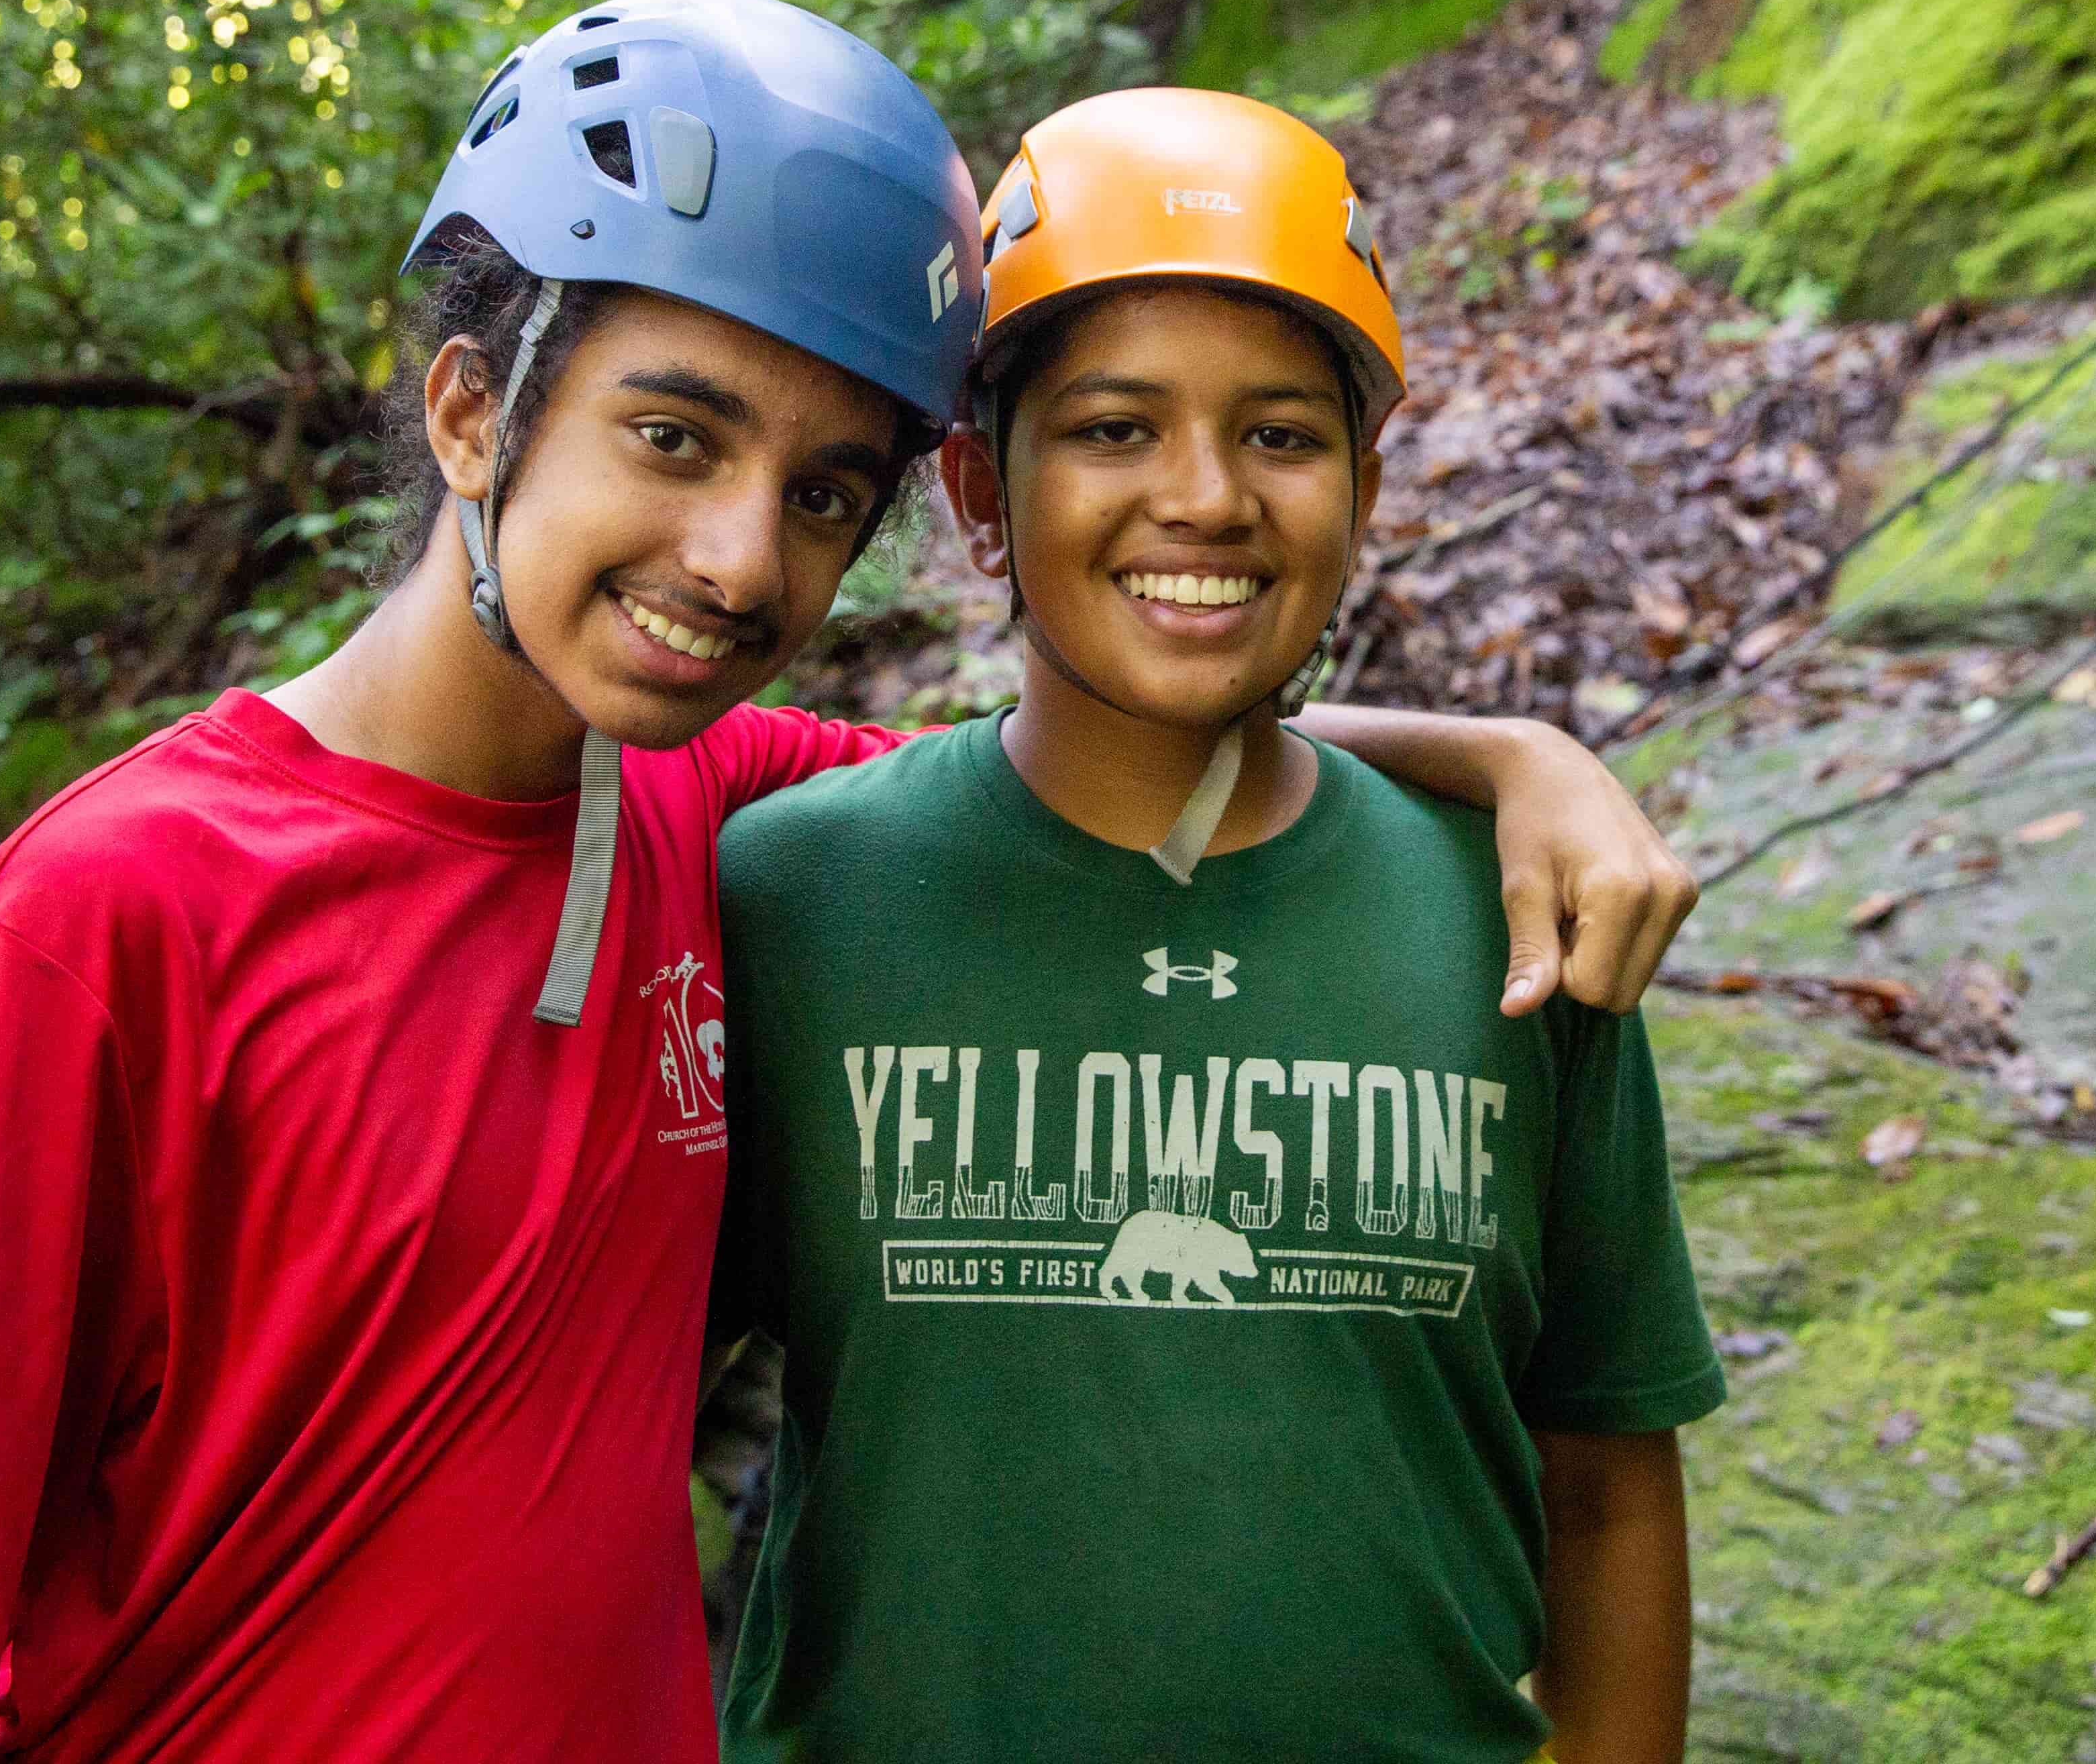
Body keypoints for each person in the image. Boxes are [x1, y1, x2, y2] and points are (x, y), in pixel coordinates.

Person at [0, 0, 1696, 1763]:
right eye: (671, 437)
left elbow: (1119, 759)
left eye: (824, 489)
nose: (744, 560)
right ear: (466, 410)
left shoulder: (707, 813)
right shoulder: (105, 923)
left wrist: (1512, 760)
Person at [711, 89, 1724, 1764]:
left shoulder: (1524, 916)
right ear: (978, 493)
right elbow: (595, 1433)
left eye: (1279, 434)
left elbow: (1607, 1484)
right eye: (1111, 428)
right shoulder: (790, 902)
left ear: (1364, 485)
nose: (1203, 498)